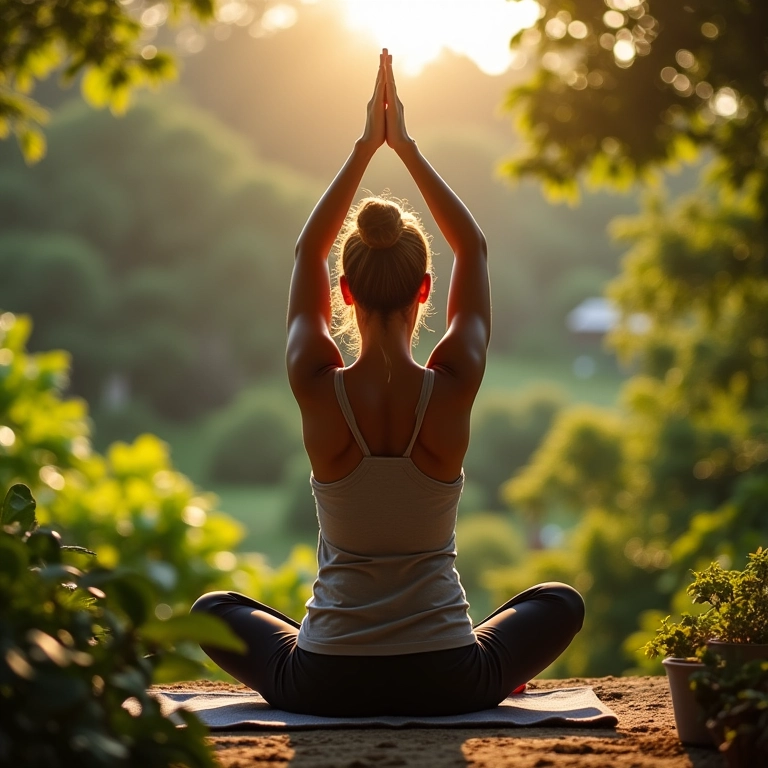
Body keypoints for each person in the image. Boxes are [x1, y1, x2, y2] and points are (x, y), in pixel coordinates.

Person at [191, 50, 584, 717]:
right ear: (425, 290)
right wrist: (405, 146)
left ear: (343, 293)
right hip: (450, 676)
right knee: (558, 602)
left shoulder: (315, 379)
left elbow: (306, 252)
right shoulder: (454, 379)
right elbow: (476, 249)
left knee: (214, 609)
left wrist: (362, 148)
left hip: (323, 681)